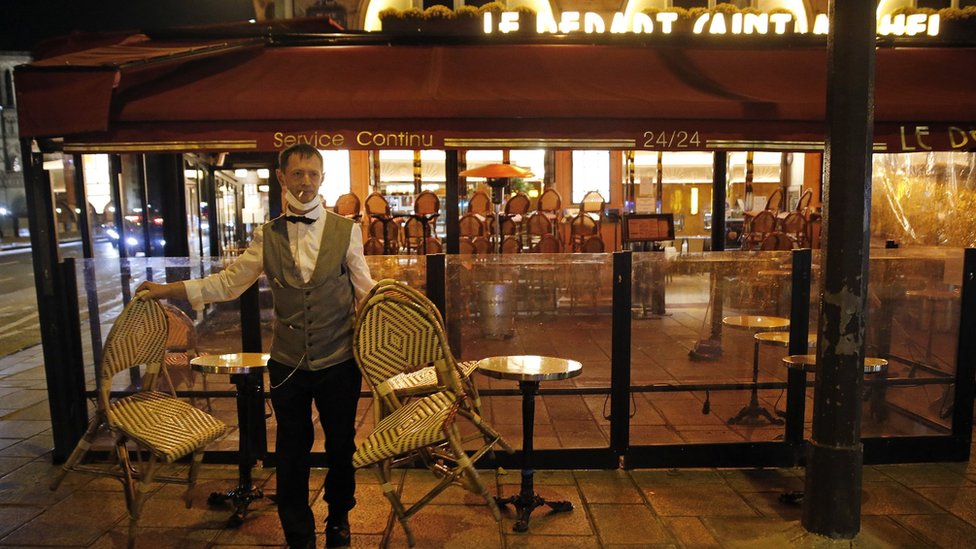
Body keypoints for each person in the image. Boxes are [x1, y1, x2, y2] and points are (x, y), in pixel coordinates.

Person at [137, 144, 374, 549]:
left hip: (339, 361)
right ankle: (297, 532)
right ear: (282, 178)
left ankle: (338, 519)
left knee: (341, 446)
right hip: (287, 362)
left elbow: (365, 293)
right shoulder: (267, 235)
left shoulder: (346, 230)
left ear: (322, 178)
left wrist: (399, 318)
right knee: (291, 450)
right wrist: (167, 289)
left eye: (312, 174)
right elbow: (227, 283)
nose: (305, 182)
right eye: (297, 174)